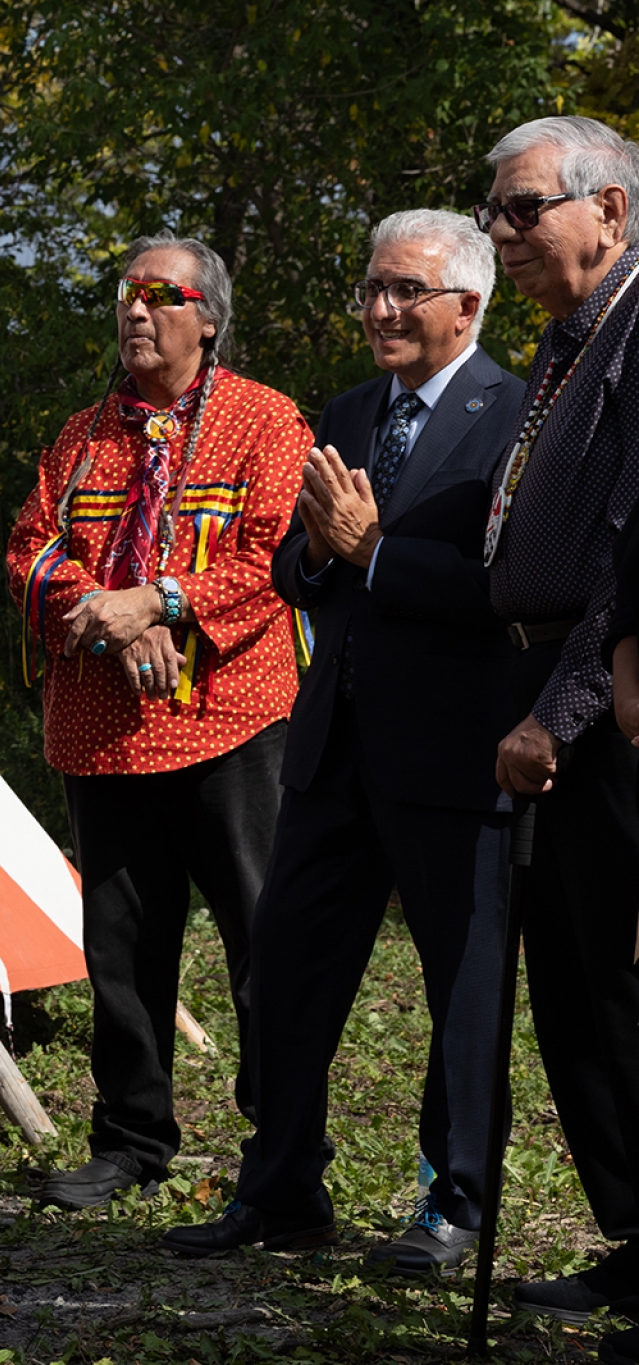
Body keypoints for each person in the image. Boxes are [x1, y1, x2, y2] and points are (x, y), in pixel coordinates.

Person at [161, 210, 522, 1270]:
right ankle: (281, 1192)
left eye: (406, 290)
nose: (380, 308)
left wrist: (371, 553)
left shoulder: (515, 417)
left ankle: (455, 1202)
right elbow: (295, 567)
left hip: (454, 749)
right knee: (285, 965)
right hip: (334, 742)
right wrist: (324, 555)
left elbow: (508, 586)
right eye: (372, 287)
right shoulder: (353, 412)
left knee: (461, 989)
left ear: (468, 303)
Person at [3, 235, 307, 1212]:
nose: (136, 311)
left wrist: (165, 600)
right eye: (126, 296)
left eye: (160, 295)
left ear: (206, 318)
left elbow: (275, 556)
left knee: (263, 937)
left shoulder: (265, 420)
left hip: (231, 722)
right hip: (104, 729)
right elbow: (30, 553)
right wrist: (116, 618)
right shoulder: (82, 436)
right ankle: (131, 1138)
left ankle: (282, 1149)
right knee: (122, 951)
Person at [459, 116, 639, 1328]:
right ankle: (635, 1235)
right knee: (574, 988)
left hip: (604, 709)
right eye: (495, 212)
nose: (502, 232)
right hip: (541, 687)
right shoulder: (569, 338)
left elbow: (633, 552)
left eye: (525, 208)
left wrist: (558, 715)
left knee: (615, 983)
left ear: (608, 210)